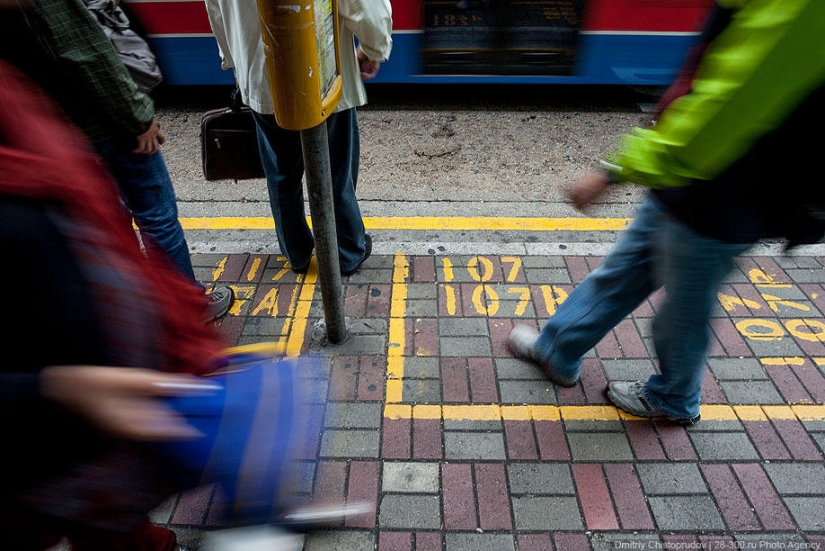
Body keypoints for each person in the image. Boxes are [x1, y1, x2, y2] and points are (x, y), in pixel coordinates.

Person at [507, 0, 824, 425]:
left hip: (729, 190)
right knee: (622, 272)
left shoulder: (801, 10)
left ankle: (675, 397)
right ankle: (557, 349)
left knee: (683, 314)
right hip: (686, 179)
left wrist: (615, 170)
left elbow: (725, 107)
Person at [0, 58, 225, 551]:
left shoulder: (9, 89)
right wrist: (51, 388)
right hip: (39, 443)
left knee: (111, 527)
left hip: (88, 426)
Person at [0, 0, 233, 321]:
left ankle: (134, 306)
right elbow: (89, 55)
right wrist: (138, 118)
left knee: (112, 220)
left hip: (60, 132)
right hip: (106, 125)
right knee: (157, 217)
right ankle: (187, 308)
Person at [204, 0, 393, 275]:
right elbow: (365, 6)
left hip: (261, 78)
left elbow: (216, 10)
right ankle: (347, 252)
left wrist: (234, 60)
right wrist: (373, 48)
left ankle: (297, 253)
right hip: (322, 78)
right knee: (336, 173)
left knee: (281, 175)